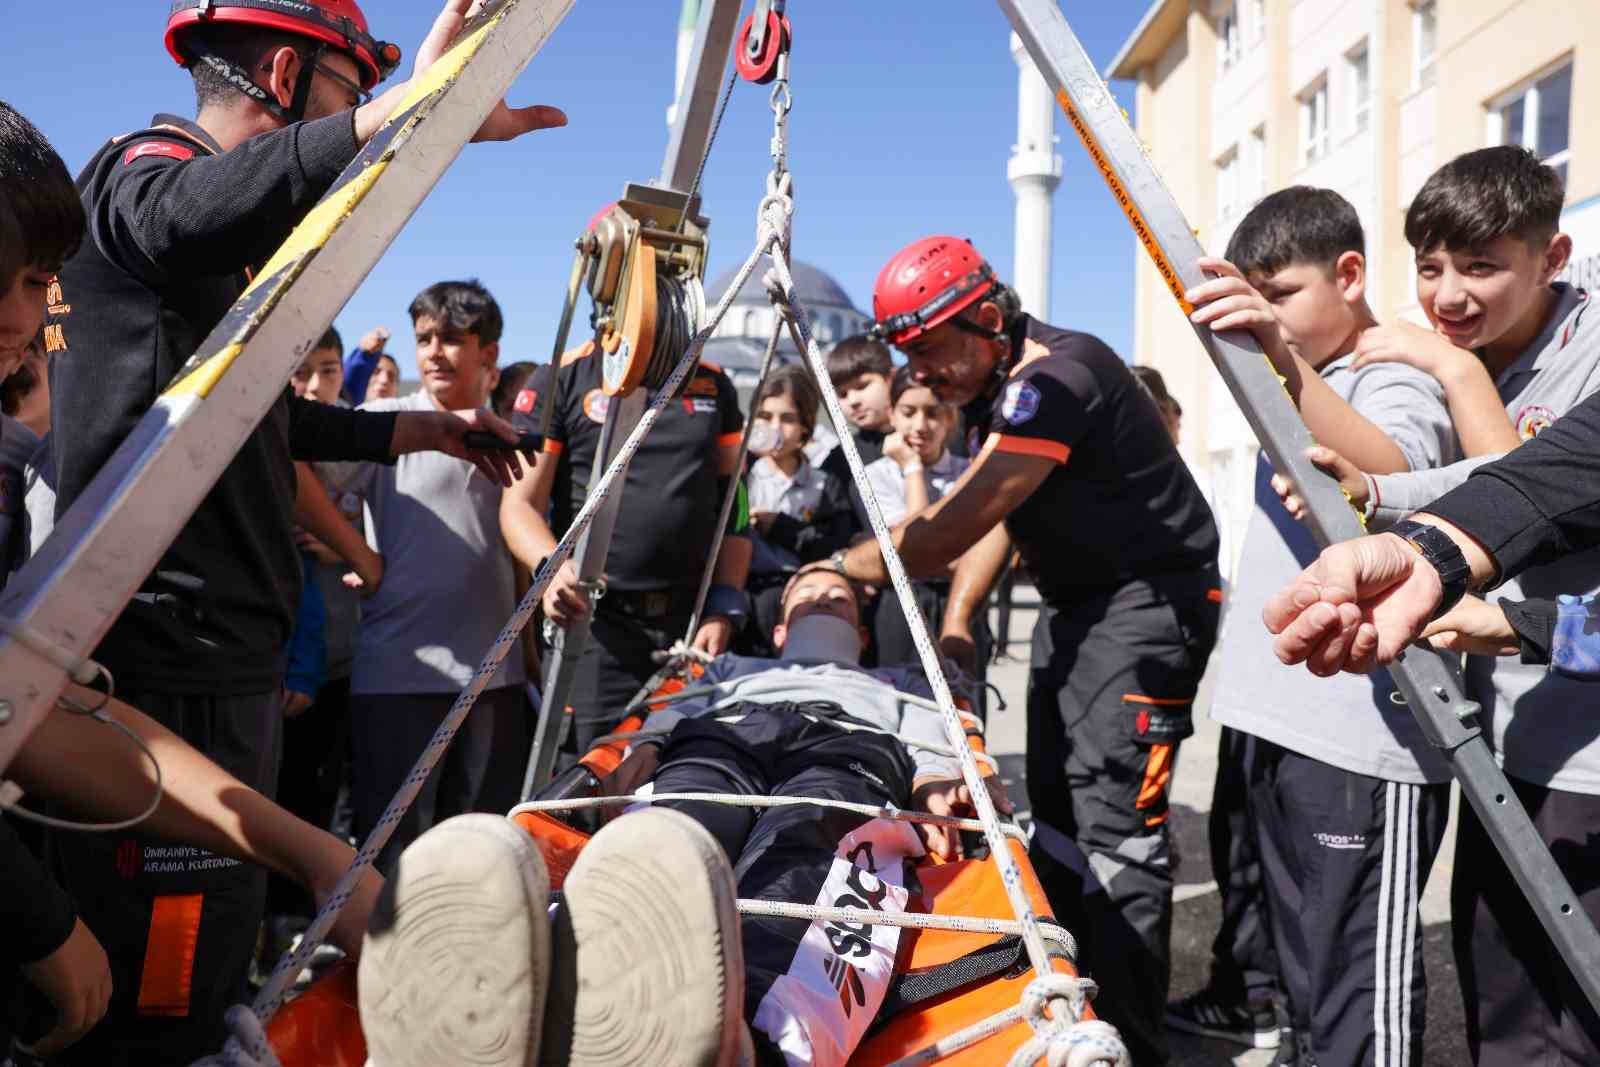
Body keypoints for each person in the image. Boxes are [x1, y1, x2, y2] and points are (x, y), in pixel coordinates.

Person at [36, 4, 559, 1059]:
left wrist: (407, 424)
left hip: (219, 652)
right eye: (344, 93)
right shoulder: (145, 173)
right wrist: (407, 109)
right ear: (282, 70)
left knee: (209, 955)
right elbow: (179, 214)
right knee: (154, 987)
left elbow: (237, 405)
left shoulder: (207, 246)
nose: (351, 122)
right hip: (157, 653)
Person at [0, 103, 383, 1062]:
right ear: (288, 73)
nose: (32, 319)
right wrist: (38, 917)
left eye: (44, 283)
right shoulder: (144, 178)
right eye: (26, 282)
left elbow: (25, 713)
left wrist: (314, 853)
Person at [356, 566, 1013, 1067]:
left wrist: (936, 790)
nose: (822, 598)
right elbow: (671, 715)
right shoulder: (732, 667)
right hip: (725, 731)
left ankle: (751, 1029)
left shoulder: (899, 680)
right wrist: (637, 754)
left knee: (807, 848)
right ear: (779, 628)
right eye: (806, 593)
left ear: (862, 632)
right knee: (669, 836)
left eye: (838, 596)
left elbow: (933, 743)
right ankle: (553, 979)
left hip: (851, 745)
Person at [825, 235, 1220, 1064]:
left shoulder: (1055, 380)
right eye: (907, 357)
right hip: (1082, 609)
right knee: (1058, 819)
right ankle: (1072, 1010)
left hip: (1146, 612)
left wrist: (838, 569)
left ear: (989, 320)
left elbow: (952, 527)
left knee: (1116, 833)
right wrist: (962, 619)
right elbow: (1005, 515)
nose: (920, 375)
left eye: (929, 352)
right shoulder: (1003, 384)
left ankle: (1133, 1048)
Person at [1267, 147, 1599, 1067]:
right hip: (1513, 738)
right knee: (1504, 1010)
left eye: (1481, 265)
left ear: (1554, 255)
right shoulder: (1487, 351)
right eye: (1430, 267)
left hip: (1585, 757)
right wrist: (1383, 494)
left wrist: (1426, 423)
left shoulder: (1567, 352)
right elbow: (1505, 487)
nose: (1448, 295)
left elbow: (1542, 494)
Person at [1177, 187, 1475, 1066]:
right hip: (1285, 730)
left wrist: (1280, 357)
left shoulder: (1392, 377)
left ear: (1349, 275)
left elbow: (1395, 475)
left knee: (1358, 1007)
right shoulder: (1313, 379)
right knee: (1311, 997)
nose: (1265, 316)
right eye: (1255, 297)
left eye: (1280, 293)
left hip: (1362, 747)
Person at [344, 280, 531, 877]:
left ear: (490, 354)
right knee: (391, 859)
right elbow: (300, 483)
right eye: (425, 338)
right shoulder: (380, 424)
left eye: (452, 339)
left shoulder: (516, 441)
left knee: (479, 856)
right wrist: (359, 555)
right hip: (397, 676)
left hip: (495, 683)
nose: (433, 352)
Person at [500, 337, 751, 761]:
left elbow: (736, 508)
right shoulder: (563, 376)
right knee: (584, 783)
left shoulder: (711, 381)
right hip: (595, 628)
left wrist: (724, 605)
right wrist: (551, 571)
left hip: (688, 628)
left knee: (684, 774)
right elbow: (519, 505)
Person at [861, 365, 976, 669]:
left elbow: (974, 557)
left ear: (950, 418)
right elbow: (915, 549)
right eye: (908, 412)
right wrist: (912, 469)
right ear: (892, 415)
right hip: (900, 607)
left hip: (959, 603)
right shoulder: (877, 476)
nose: (920, 425)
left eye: (933, 413)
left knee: (963, 703)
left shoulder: (970, 473)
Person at [743, 364, 855, 651]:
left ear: (805, 426)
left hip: (801, 599)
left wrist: (784, 528)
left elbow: (835, 544)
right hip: (748, 598)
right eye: (765, 417)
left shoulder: (823, 484)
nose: (775, 429)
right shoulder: (742, 476)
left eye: (787, 419)